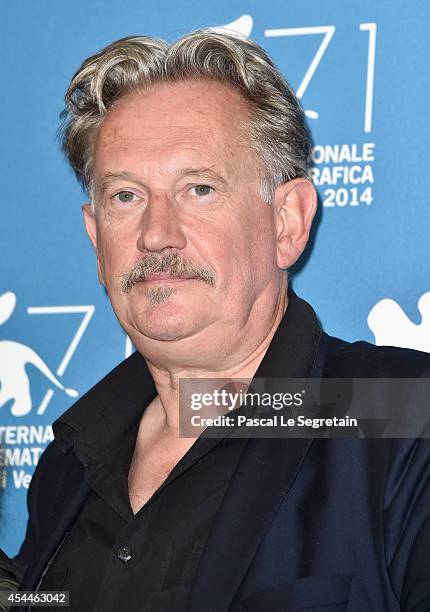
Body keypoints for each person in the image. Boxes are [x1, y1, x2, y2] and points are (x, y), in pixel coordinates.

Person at [13, 29, 430, 611]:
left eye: (199, 188)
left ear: (287, 222)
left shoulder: (405, 417)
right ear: (95, 237)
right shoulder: (67, 466)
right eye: (126, 197)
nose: (157, 234)